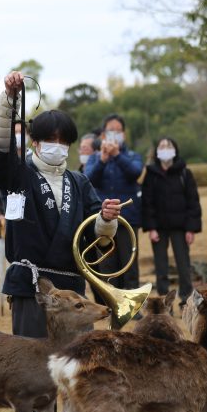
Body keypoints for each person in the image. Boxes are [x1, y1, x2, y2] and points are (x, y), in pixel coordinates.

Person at [0, 70, 123, 412]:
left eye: (65, 141)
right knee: (34, 375)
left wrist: (105, 222)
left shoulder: (80, 183)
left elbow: (95, 241)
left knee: (80, 374)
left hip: (72, 291)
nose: (57, 147)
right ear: (32, 142)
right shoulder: (17, 174)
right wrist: (9, 100)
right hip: (30, 287)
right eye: (50, 139)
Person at [84, 114, 143, 290]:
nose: (115, 134)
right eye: (111, 131)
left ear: (124, 135)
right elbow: (89, 179)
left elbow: (135, 172)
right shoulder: (95, 158)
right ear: (103, 135)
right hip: (104, 219)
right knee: (107, 263)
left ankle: (132, 303)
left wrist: (116, 154)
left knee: (129, 262)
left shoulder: (133, 156)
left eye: (118, 131)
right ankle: (111, 303)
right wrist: (102, 160)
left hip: (128, 218)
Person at [141, 137, 202, 305]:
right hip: (159, 228)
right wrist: (151, 228)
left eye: (168, 146)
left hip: (180, 227)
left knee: (183, 266)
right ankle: (164, 300)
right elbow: (147, 203)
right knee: (161, 267)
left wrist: (191, 228)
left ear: (175, 150)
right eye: (162, 146)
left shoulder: (184, 173)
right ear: (156, 151)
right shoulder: (151, 175)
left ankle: (186, 299)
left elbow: (193, 202)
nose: (165, 148)